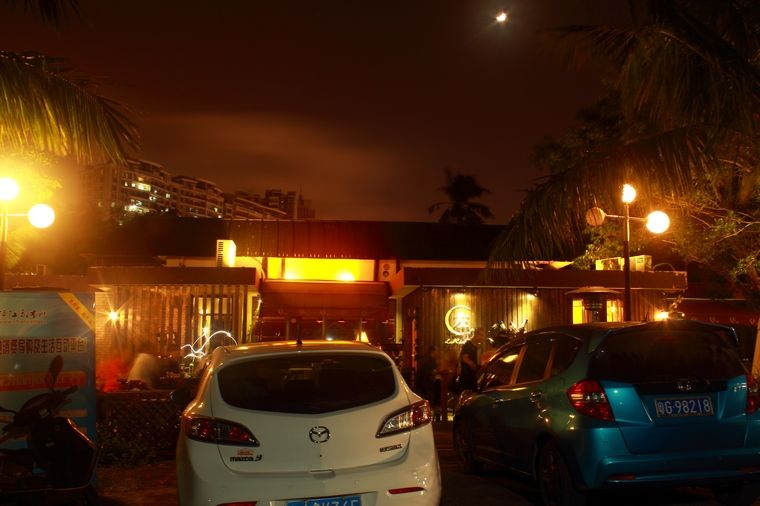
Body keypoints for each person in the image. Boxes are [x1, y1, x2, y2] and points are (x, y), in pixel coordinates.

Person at [457, 328, 484, 392]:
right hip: (467, 377)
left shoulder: (475, 347)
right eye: (481, 335)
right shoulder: (468, 345)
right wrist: (473, 365)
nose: (482, 338)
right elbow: (464, 358)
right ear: (476, 335)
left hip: (472, 376)